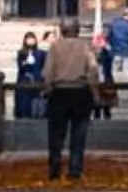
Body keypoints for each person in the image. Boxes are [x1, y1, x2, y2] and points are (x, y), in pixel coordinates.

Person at [40, 20, 102, 182]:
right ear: (78, 31)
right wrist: (95, 93)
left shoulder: (55, 47)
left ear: (62, 31)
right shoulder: (85, 47)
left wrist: (47, 88)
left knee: (56, 133)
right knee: (79, 133)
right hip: (80, 91)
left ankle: (54, 166)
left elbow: (47, 72)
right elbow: (93, 71)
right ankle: (75, 168)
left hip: (59, 91)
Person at [14, 31, 47, 120]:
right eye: (28, 39)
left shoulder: (41, 53)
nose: (30, 41)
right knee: (24, 104)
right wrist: (25, 63)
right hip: (24, 80)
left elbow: (44, 66)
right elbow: (20, 67)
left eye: (32, 38)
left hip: (37, 79)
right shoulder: (21, 53)